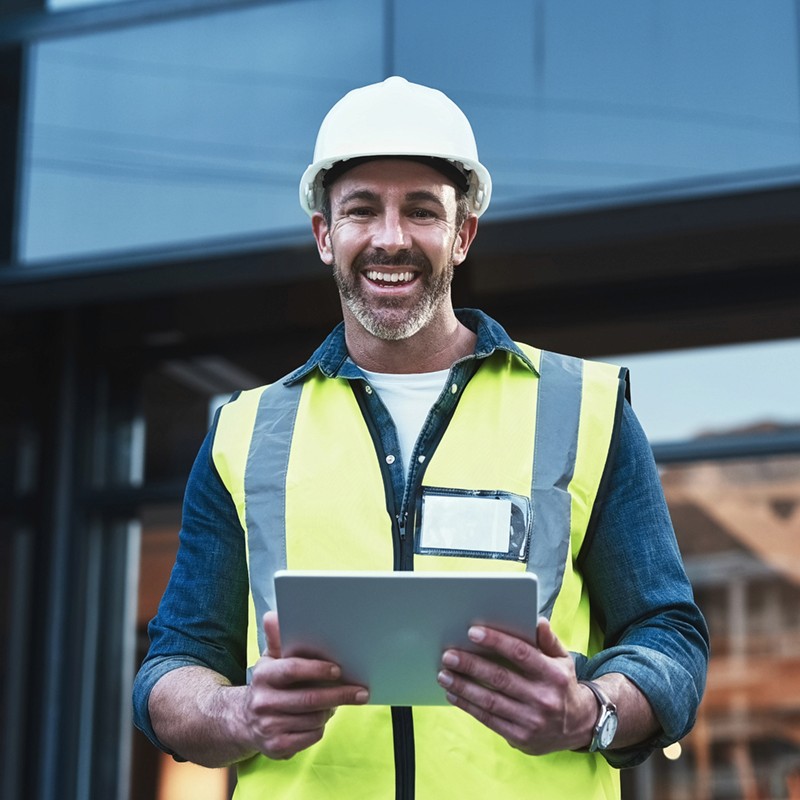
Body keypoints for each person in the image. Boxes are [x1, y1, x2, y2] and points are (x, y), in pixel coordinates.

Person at [133, 76, 708, 799]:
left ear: (462, 234)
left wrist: (588, 713)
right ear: (324, 236)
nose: (390, 239)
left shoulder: (584, 408)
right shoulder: (245, 432)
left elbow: (670, 638)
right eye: (362, 210)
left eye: (422, 211)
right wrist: (239, 712)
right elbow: (173, 669)